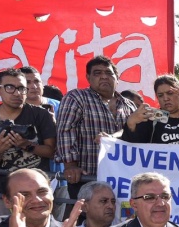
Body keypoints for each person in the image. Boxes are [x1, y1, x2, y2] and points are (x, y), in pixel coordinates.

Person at [56, 55, 136, 197]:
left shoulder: (129, 105)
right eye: (97, 73)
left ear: (117, 78)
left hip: (122, 179)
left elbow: (136, 136)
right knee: (85, 216)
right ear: (88, 78)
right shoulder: (77, 97)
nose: (104, 77)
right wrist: (71, 166)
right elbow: (66, 131)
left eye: (109, 73)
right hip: (86, 177)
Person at [0, 68, 57, 194]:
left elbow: (51, 151)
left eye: (21, 88)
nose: (17, 93)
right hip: (4, 190)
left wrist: (26, 145)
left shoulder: (41, 114)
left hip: (36, 186)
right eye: (10, 87)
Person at [121, 74, 179, 145]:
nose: (165, 98)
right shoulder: (153, 117)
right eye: (160, 95)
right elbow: (134, 146)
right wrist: (131, 124)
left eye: (170, 93)